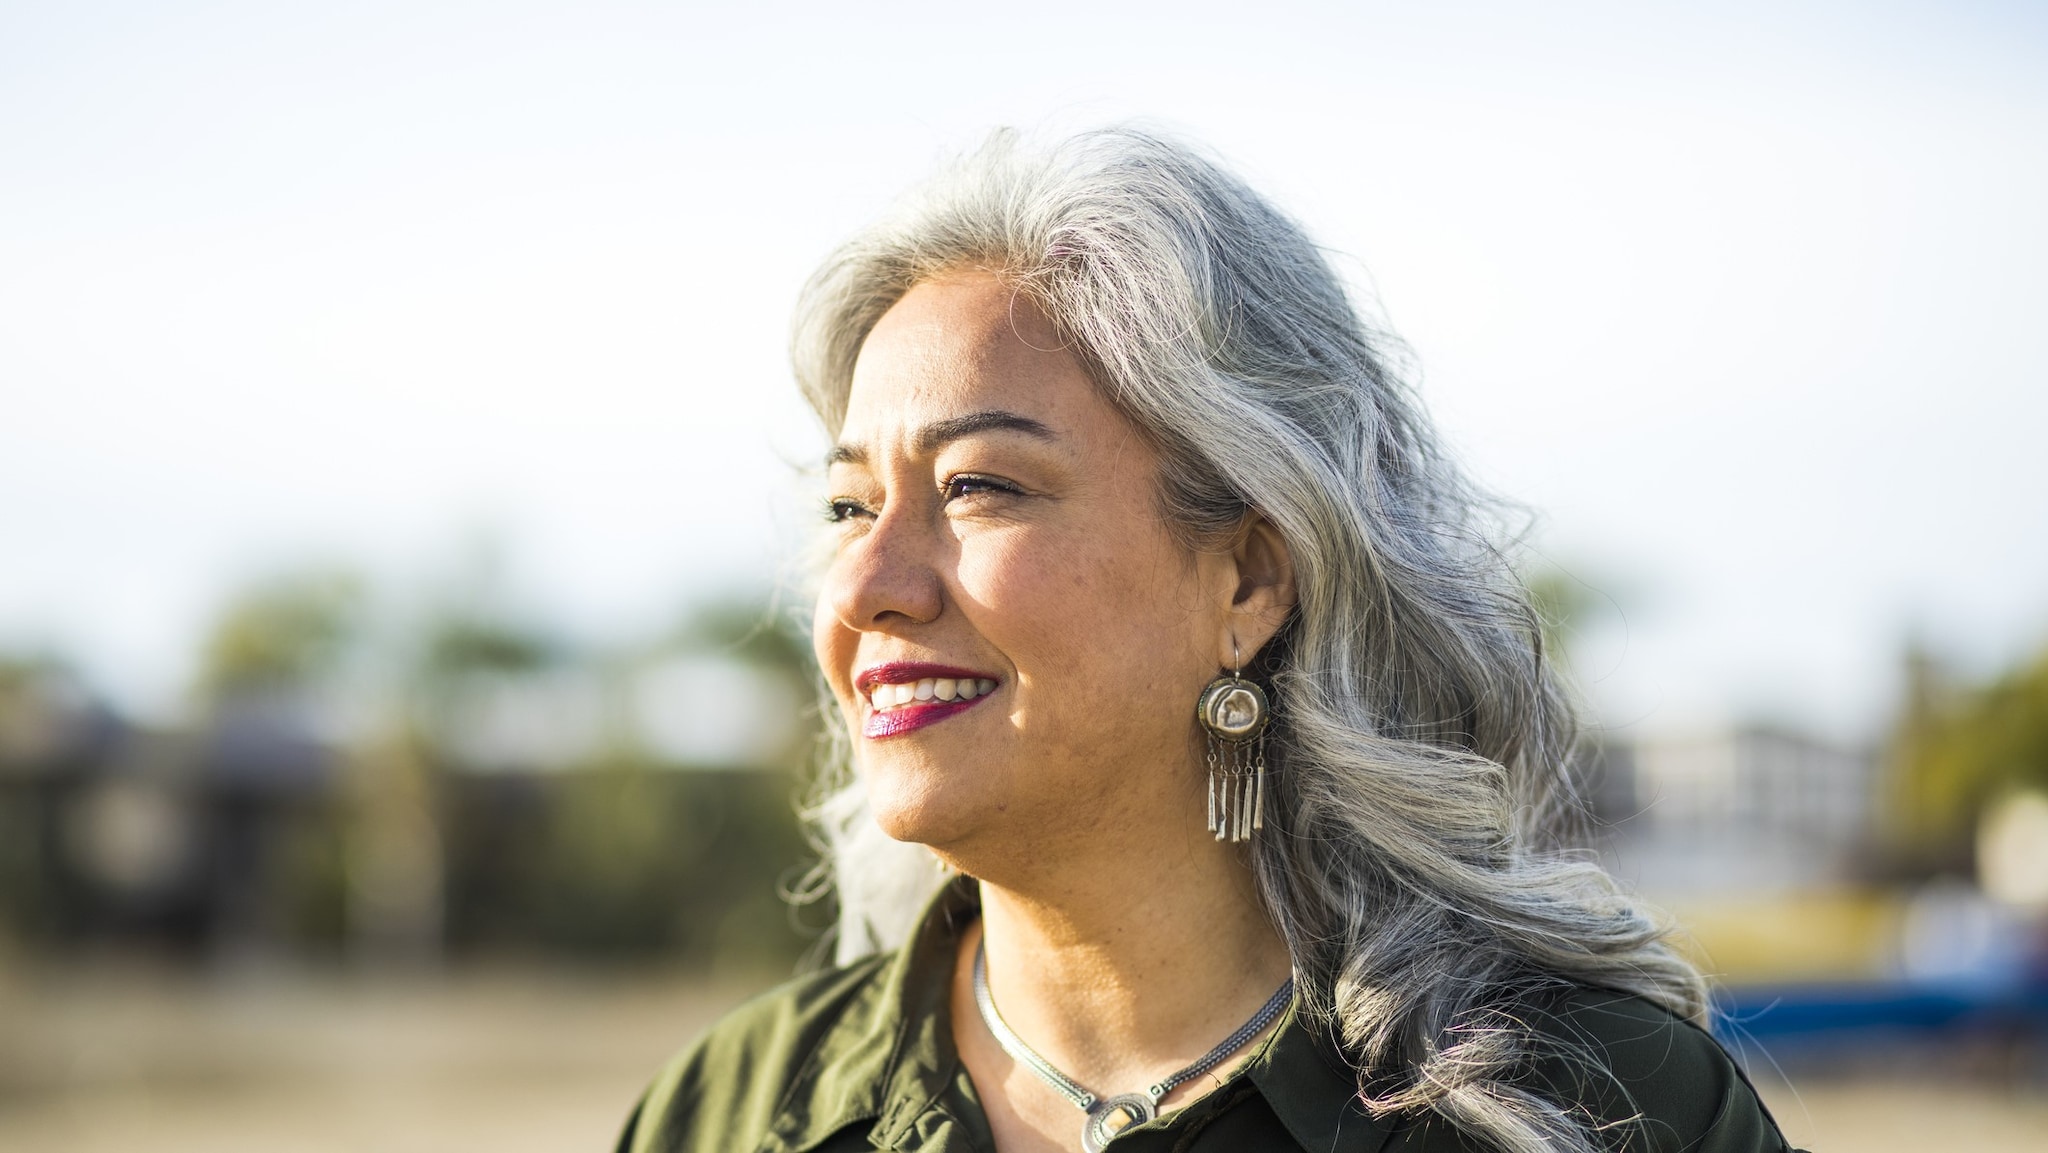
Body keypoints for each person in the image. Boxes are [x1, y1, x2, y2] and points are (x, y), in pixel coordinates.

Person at [617, 128, 1801, 1153]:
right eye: (847, 506)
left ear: (1249, 578)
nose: (867, 583)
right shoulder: (728, 1109)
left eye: (978, 486)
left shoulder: (1596, 1112)